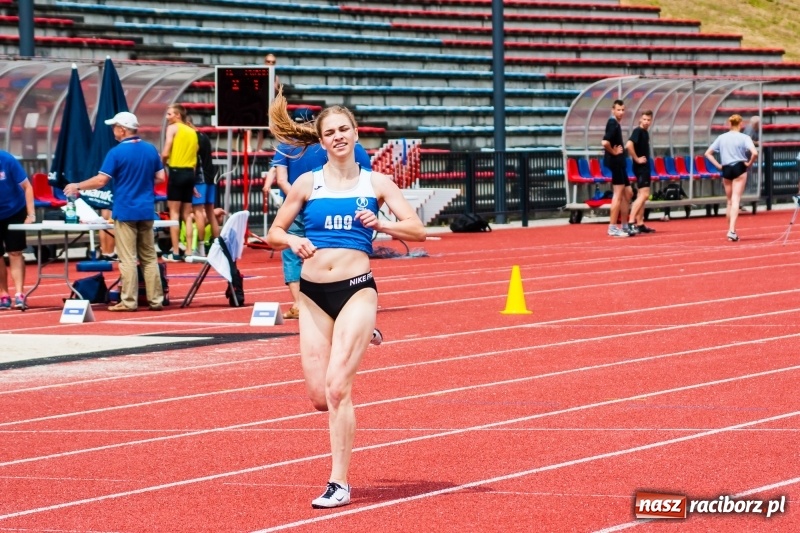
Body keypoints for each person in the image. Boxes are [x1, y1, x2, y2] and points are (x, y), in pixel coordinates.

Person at [266, 89, 426, 509]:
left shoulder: (375, 182)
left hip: (356, 289)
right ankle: (361, 332)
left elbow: (418, 230)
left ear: (356, 135)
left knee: (338, 390)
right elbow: (273, 233)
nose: (337, 136)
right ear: (321, 142)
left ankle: (338, 482)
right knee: (319, 397)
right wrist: (294, 239)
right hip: (314, 295)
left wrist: (385, 224)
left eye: (344, 129)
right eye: (330, 132)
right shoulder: (307, 182)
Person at [269, 107, 373, 320]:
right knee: (339, 247)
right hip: (335, 204)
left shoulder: (286, 145)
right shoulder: (347, 143)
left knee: (293, 253)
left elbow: (281, 179)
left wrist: (300, 201)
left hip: (302, 202)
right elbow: (365, 176)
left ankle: (298, 302)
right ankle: (350, 299)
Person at [64, 111, 166, 311]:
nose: (113, 131)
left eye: (114, 127)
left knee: (127, 257)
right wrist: (142, 184)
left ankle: (129, 301)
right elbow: (161, 177)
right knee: (149, 256)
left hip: (126, 209)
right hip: (146, 208)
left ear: (122, 128)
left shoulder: (116, 152)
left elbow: (101, 181)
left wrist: (78, 185)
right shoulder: (150, 149)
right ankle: (156, 300)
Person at [704, 114, 757, 242]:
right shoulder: (744, 137)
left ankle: (730, 229)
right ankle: (732, 230)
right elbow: (755, 153)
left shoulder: (722, 137)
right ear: (741, 124)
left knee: (729, 201)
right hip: (739, 167)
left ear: (729, 124)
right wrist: (749, 164)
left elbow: (708, 153)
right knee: (736, 200)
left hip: (726, 168)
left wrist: (719, 166)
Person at [161, 104, 199, 262]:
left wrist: (160, 165)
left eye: (169, 114)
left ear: (177, 115)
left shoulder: (173, 128)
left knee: (174, 214)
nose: (167, 117)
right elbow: (195, 159)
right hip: (190, 173)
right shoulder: (192, 132)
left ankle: (176, 252)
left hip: (176, 172)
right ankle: (189, 251)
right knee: (187, 215)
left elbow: (165, 151)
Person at [0, 151, 34, 310]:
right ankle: (3, 293)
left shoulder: (7, 160)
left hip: (14, 210)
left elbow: (27, 187)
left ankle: (19, 293)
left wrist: (31, 214)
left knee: (15, 252)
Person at [602, 99, 634, 237]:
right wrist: (614, 152)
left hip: (621, 163)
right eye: (618, 110)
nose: (621, 112)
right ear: (613, 110)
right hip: (615, 162)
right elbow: (604, 142)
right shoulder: (612, 123)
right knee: (618, 194)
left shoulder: (616, 124)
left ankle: (625, 225)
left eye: (622, 110)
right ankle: (612, 227)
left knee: (629, 193)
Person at [626, 110, 655, 234]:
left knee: (641, 195)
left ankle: (640, 223)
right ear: (640, 119)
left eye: (648, 120)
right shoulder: (638, 131)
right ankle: (631, 222)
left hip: (644, 166)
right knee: (644, 195)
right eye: (644, 119)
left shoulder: (645, 132)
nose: (646, 122)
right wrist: (637, 158)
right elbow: (628, 145)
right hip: (641, 167)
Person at [254, 53, 281, 153]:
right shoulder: (259, 74)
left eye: (273, 62)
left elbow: (276, 92)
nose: (270, 64)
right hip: (257, 103)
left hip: (267, 104)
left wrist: (276, 88)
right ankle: (248, 146)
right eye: (268, 62)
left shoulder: (275, 77)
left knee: (264, 128)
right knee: (249, 124)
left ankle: (258, 147)